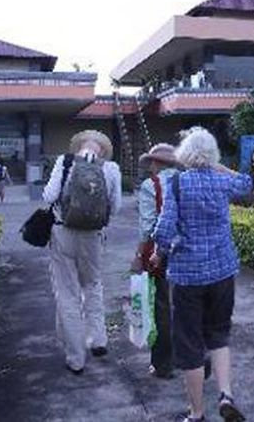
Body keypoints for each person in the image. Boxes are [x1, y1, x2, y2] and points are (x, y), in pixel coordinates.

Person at [154, 127, 251, 422]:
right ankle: (226, 395)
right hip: (222, 272)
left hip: (187, 276)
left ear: (184, 153)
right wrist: (217, 165)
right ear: (211, 154)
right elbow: (246, 183)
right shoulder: (222, 182)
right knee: (219, 334)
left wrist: (159, 251)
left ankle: (196, 413)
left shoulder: (177, 184)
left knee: (189, 342)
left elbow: (165, 229)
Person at [43, 130, 122, 375]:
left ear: (78, 146)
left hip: (63, 232)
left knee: (67, 294)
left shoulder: (65, 162)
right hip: (93, 237)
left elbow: (49, 196)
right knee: (93, 285)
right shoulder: (111, 168)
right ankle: (98, 340)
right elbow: (116, 207)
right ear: (102, 149)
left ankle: (76, 358)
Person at [131, 143, 181, 379]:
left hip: (159, 254)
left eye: (151, 162)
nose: (150, 166)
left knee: (162, 306)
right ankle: (192, 358)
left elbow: (148, 226)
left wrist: (139, 256)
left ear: (157, 163)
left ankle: (163, 364)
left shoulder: (151, 186)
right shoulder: (187, 180)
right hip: (189, 254)